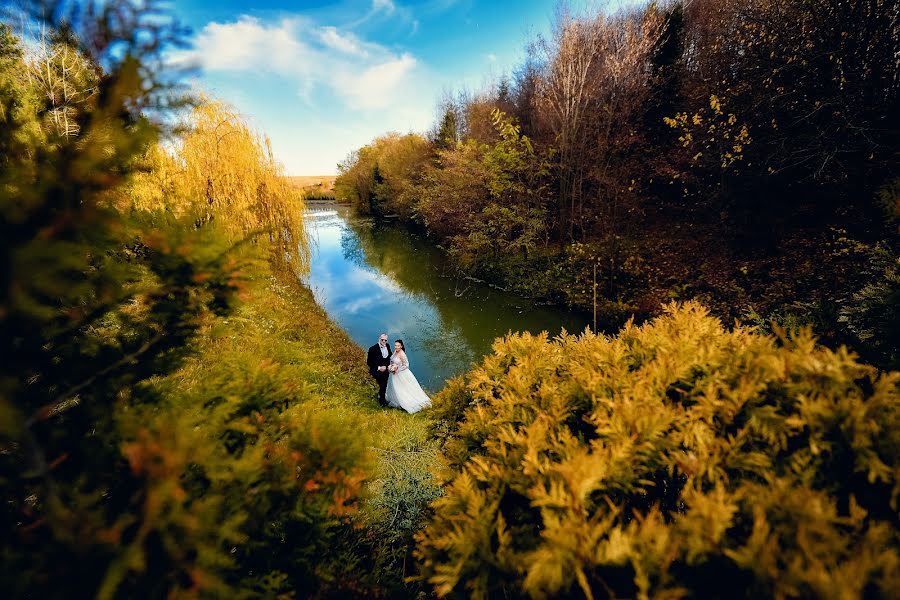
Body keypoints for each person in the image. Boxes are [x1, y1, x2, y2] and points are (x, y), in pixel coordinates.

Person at [385, 339, 431, 414]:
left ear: (401, 346)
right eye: (395, 345)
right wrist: (390, 366)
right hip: (394, 374)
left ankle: (405, 401)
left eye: (398, 346)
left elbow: (406, 365)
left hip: (401, 373)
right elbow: (392, 361)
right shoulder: (395, 352)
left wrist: (397, 369)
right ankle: (396, 400)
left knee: (402, 388)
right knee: (395, 387)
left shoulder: (402, 354)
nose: (396, 347)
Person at [367, 333, 392, 405]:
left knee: (386, 383)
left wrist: (388, 366)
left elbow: (389, 357)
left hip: (386, 369)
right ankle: (382, 402)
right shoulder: (373, 349)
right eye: (382, 340)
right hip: (376, 369)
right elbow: (369, 362)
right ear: (379, 339)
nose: (384, 341)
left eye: (385, 340)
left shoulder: (387, 346)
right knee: (382, 384)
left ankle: (382, 397)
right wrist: (379, 368)